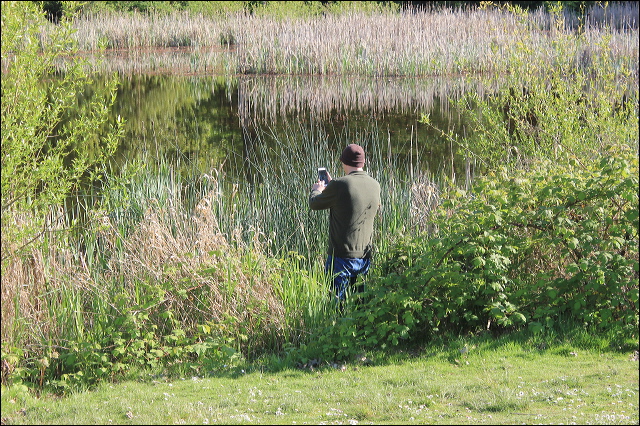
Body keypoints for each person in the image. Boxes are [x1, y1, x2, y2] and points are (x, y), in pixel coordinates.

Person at [309, 144, 381, 310]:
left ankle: (335, 334)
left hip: (340, 257)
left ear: (343, 162)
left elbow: (315, 204)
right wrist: (333, 185)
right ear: (363, 162)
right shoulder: (375, 185)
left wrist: (317, 190)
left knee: (336, 307)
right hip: (364, 257)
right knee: (361, 307)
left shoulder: (340, 185)